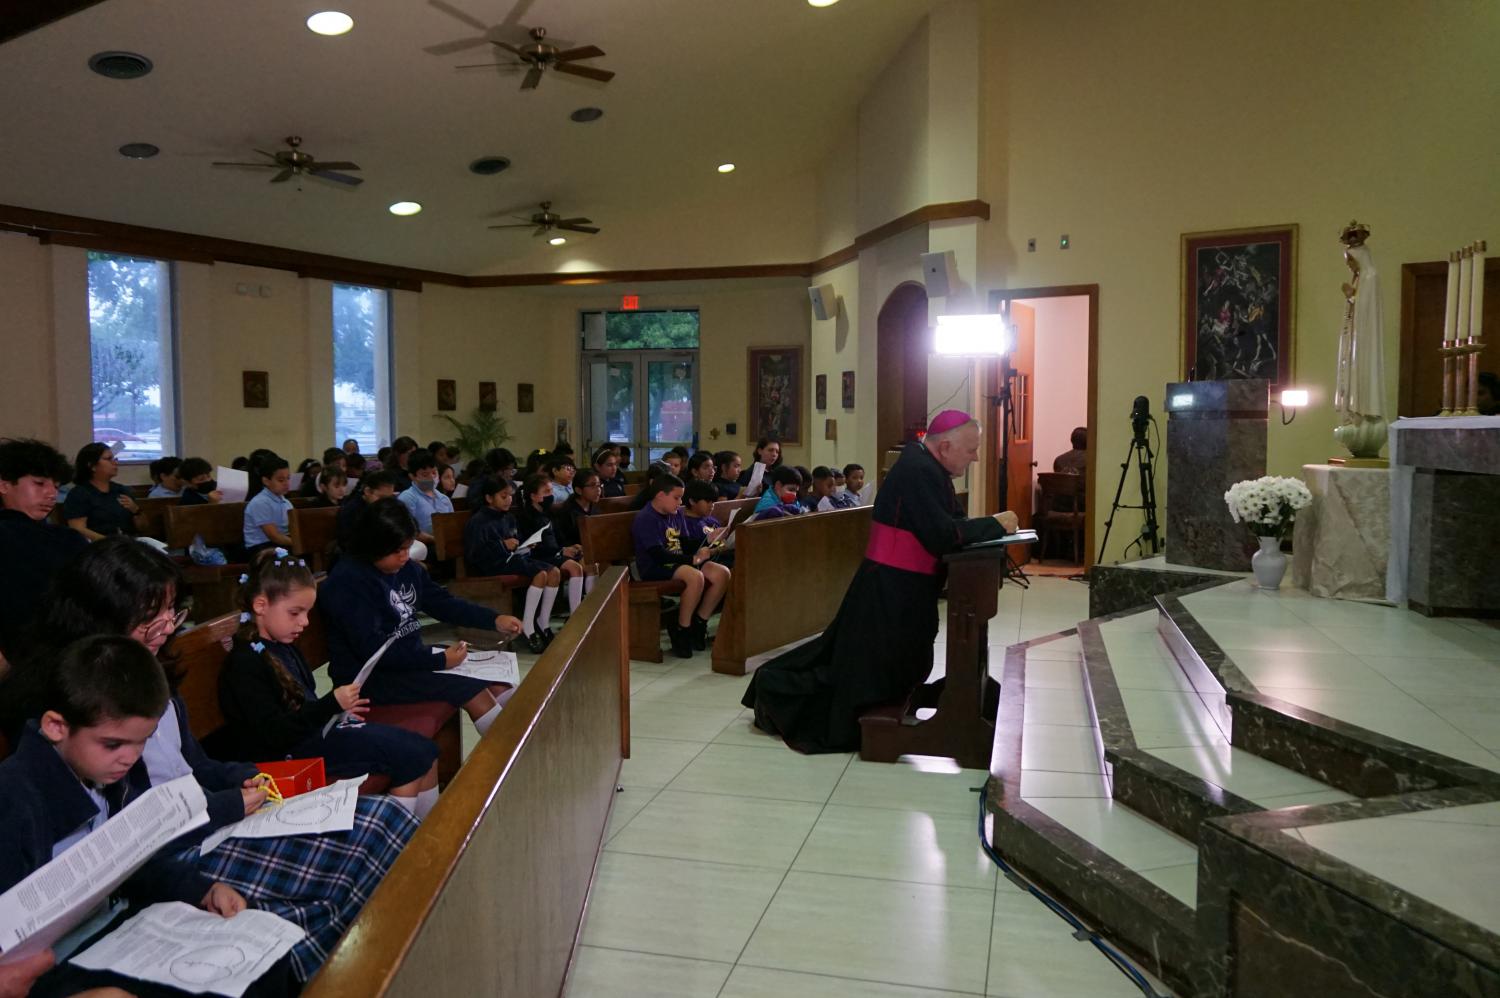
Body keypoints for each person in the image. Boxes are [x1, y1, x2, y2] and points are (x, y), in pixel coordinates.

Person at [15, 539, 419, 984]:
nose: (167, 628)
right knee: (324, 890)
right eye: (152, 618)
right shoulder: (86, 710)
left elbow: (192, 762)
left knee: (384, 820)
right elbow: (133, 826)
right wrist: (226, 806)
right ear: (103, 618)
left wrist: (245, 776)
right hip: (175, 844)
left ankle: (374, 963)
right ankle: (340, 971)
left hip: (195, 822)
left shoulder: (150, 676)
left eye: (172, 612)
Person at [0, 634, 300, 998]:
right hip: (50, 968)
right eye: (113, 744)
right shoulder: (16, 798)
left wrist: (202, 888)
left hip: (116, 930)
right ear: (56, 727)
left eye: (141, 742)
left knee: (258, 950)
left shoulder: (101, 771)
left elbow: (131, 861)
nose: (129, 758)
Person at [742, 410, 1020, 753]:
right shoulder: (917, 471)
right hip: (890, 590)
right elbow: (943, 535)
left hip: (902, 587)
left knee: (893, 663)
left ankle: (942, 702)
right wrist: (995, 524)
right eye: (971, 449)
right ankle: (777, 691)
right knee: (860, 672)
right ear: (945, 446)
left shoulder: (927, 466)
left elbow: (950, 523)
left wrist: (985, 526)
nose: (976, 457)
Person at [219, 549, 440, 819]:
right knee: (413, 756)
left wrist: (337, 712)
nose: (305, 622)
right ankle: (406, 838)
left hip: (311, 737)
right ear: (260, 605)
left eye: (307, 612)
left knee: (424, 749)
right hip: (290, 756)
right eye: (295, 613)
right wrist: (331, 705)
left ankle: (427, 829)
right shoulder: (246, 662)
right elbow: (275, 734)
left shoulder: (281, 646)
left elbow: (304, 704)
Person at [320, 499, 523, 735]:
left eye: (408, 547)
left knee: (499, 681)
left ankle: (517, 744)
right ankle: (500, 756)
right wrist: (439, 661)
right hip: (369, 680)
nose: (405, 556)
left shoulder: (406, 568)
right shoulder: (348, 582)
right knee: (472, 690)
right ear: (373, 545)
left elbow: (443, 603)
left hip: (407, 661)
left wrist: (494, 620)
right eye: (398, 550)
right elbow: (373, 650)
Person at [0, 439, 87, 666]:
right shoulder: (66, 540)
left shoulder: (63, 537)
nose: (51, 494)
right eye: (39, 484)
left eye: (56, 486)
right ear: (4, 485)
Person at [631, 474, 731, 657]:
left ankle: (700, 622)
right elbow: (658, 555)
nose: (680, 502)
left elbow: (685, 544)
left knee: (721, 573)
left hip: (677, 563)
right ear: (660, 495)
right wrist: (691, 560)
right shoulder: (646, 518)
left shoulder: (676, 514)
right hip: (654, 567)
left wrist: (707, 540)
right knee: (694, 576)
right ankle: (682, 628)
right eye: (676, 497)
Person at [465, 476, 563, 653]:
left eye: (510, 495)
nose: (509, 500)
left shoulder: (508, 517)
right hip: (493, 565)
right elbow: (475, 554)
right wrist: (502, 545)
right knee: (540, 574)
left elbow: (514, 540)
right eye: (503, 496)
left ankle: (544, 622)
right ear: (489, 498)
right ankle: (528, 626)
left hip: (513, 559)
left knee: (554, 572)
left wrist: (524, 544)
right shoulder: (479, 521)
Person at [516, 473, 585, 643]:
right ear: (533, 496)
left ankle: (548, 620)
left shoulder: (549, 513)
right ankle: (544, 621)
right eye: (546, 492)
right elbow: (531, 545)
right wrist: (561, 551)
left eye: (550, 491)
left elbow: (558, 536)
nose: (550, 495)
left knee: (582, 565)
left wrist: (570, 546)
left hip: (554, 552)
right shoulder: (525, 517)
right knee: (572, 568)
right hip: (541, 555)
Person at [63, 443, 137, 541]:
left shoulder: (122, 490)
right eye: (108, 459)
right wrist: (109, 542)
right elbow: (78, 528)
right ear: (92, 466)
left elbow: (144, 527)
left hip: (130, 542)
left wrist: (136, 510)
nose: (115, 463)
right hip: (99, 546)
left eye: (114, 459)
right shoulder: (80, 493)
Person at [553, 468, 602, 601]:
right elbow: (561, 539)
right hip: (570, 552)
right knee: (590, 563)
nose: (598, 489)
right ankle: (589, 605)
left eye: (599, 485)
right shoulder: (567, 511)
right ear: (579, 490)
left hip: (591, 550)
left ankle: (599, 603)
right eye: (592, 486)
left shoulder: (595, 509)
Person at [397, 449, 452, 555]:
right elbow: (407, 531)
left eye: (434, 473)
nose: (431, 478)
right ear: (412, 476)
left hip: (444, 544)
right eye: (425, 475)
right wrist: (434, 539)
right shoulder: (407, 498)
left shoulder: (444, 499)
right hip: (419, 547)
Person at [337, 469, 400, 551]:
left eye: (389, 498)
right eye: (381, 497)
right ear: (367, 491)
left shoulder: (386, 506)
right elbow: (348, 543)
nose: (384, 502)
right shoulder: (352, 510)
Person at [242, 455, 293, 555]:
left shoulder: (286, 502)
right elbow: (273, 535)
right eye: (281, 480)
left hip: (279, 544)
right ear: (266, 481)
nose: (286, 483)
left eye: (288, 478)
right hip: (260, 548)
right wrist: (298, 543)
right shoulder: (260, 502)